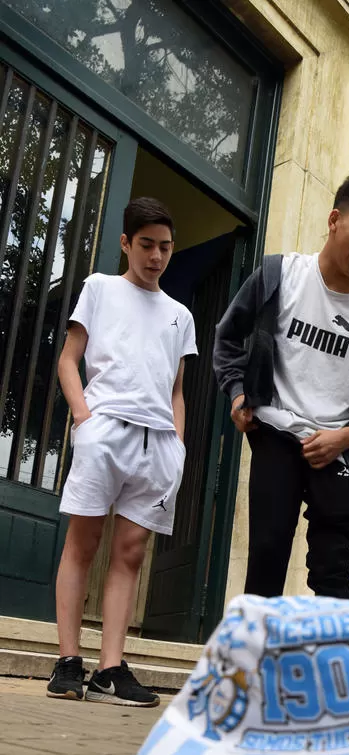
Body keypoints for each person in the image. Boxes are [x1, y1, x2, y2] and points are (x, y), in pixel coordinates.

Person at [213, 171, 349, 600]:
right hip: (276, 431)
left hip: (340, 446)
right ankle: (255, 665)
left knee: (332, 569)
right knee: (267, 554)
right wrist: (236, 393)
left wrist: (348, 435)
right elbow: (229, 336)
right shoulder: (279, 275)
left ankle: (328, 663)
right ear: (333, 220)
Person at [47, 197, 196, 705]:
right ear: (126, 243)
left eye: (166, 247)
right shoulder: (100, 288)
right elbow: (70, 360)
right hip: (105, 430)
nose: (157, 256)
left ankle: (111, 668)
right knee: (82, 545)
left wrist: (177, 446)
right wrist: (86, 422)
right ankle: (69, 659)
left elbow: (176, 390)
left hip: (158, 445)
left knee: (130, 554)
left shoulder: (181, 315)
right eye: (148, 245)